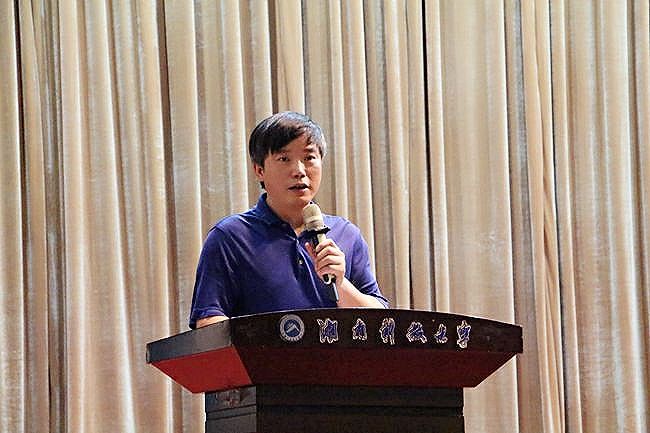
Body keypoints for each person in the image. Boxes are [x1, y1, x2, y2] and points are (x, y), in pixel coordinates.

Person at [189, 111, 388, 329]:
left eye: (309, 158)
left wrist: (341, 284)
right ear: (259, 170)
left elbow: (382, 324)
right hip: (261, 352)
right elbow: (208, 322)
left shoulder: (346, 234)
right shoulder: (230, 237)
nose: (299, 171)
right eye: (284, 159)